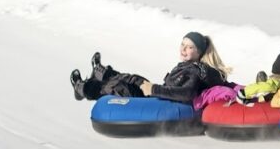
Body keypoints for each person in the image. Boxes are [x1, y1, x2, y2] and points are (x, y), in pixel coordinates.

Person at [70, 32, 230, 103]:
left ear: (199, 52)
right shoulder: (190, 66)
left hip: (158, 101)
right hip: (158, 96)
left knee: (119, 88)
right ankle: (102, 73)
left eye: (189, 47)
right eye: (182, 44)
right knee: (132, 78)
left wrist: (153, 89)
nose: (183, 49)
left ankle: (82, 88)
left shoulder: (194, 71)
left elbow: (186, 93)